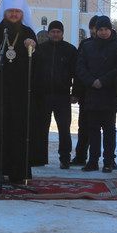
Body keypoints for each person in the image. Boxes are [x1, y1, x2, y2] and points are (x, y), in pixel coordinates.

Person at [0, 0, 37, 184]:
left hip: (20, 93)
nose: (14, 15)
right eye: (10, 11)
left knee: (17, 131)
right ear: (4, 12)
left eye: (17, 12)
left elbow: (35, 64)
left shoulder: (28, 33)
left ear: (22, 14)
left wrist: (32, 49)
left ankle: (17, 173)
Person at [31, 20, 79, 169]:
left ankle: (65, 158)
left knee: (64, 128)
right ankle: (39, 157)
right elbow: (34, 72)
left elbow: (76, 73)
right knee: (41, 128)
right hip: (42, 95)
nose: (55, 34)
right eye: (53, 32)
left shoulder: (70, 50)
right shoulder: (40, 49)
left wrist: (75, 92)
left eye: (58, 32)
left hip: (62, 95)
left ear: (62, 33)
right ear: (49, 33)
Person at [76, 15, 117, 173]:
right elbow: (80, 67)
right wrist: (91, 81)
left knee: (109, 130)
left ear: (110, 30)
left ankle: (108, 161)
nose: (103, 32)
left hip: (109, 94)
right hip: (92, 94)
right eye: (100, 29)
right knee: (93, 129)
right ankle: (93, 160)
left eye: (106, 29)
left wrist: (102, 81)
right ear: (96, 30)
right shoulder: (88, 46)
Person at [70, 15, 103, 166]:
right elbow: (79, 69)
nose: (94, 31)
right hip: (86, 91)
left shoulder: (113, 45)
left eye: (96, 29)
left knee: (106, 127)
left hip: (104, 91)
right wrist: (76, 92)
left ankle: (109, 158)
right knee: (84, 125)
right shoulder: (85, 44)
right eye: (92, 29)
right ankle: (81, 155)